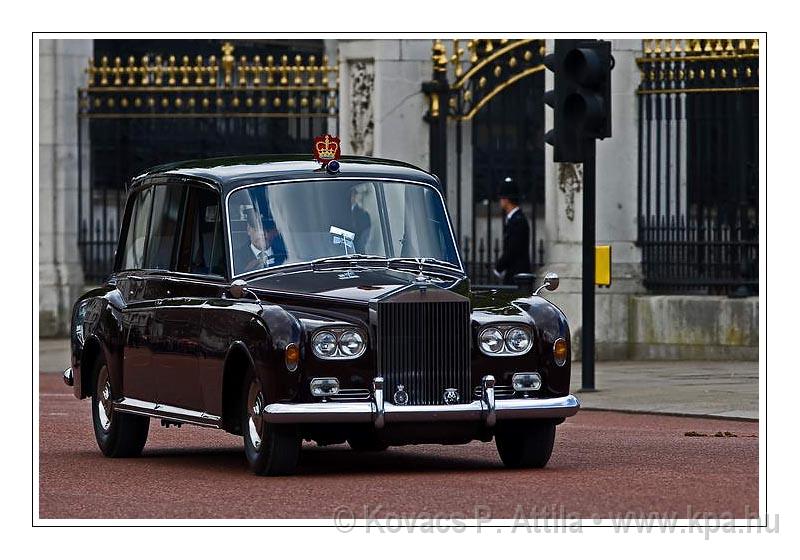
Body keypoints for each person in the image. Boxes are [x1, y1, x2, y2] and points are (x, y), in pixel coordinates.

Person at [493, 177, 531, 285]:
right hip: (513, 274)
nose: (500, 201)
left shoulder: (518, 221)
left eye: (501, 198)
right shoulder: (514, 219)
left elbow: (512, 249)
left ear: (506, 199)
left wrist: (499, 267)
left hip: (517, 276)